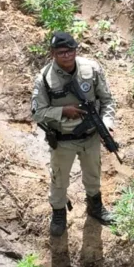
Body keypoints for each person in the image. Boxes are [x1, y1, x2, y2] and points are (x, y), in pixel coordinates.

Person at [30, 30, 117, 235]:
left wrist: (107, 123)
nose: (67, 56)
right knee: (59, 179)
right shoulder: (44, 79)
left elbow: (107, 100)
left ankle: (95, 206)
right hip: (63, 140)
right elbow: (37, 113)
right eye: (61, 52)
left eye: (70, 51)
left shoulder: (92, 69)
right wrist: (62, 111)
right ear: (53, 53)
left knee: (93, 174)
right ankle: (59, 213)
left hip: (91, 135)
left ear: (76, 50)